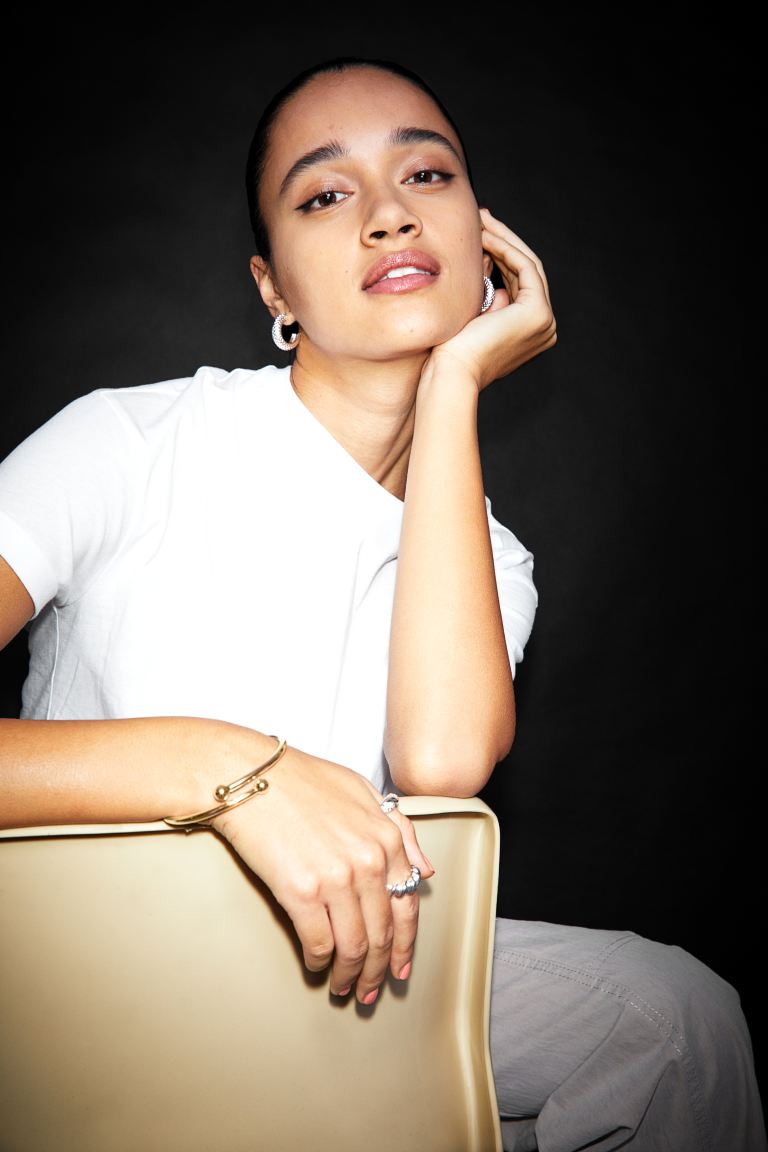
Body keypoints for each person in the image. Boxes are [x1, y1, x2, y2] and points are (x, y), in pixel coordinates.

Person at [0, 55, 764, 1152]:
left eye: (427, 177)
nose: (390, 215)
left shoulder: (490, 558)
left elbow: (442, 764)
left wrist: (452, 386)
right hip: (84, 972)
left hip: (338, 977)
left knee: (674, 1023)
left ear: (483, 239)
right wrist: (230, 770)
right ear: (273, 289)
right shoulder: (129, 442)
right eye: (325, 194)